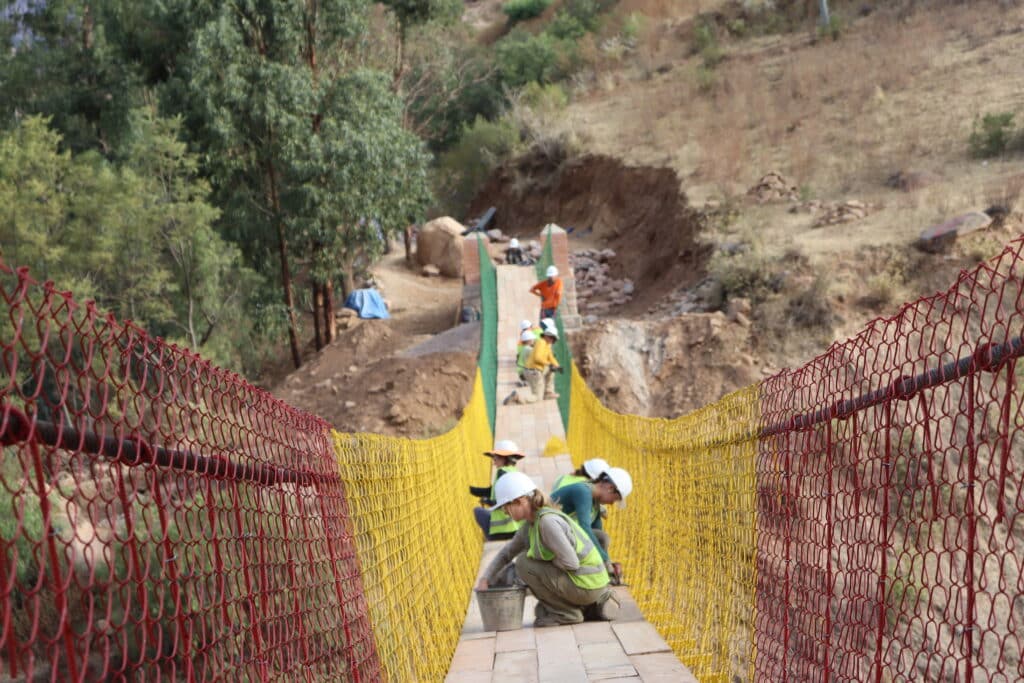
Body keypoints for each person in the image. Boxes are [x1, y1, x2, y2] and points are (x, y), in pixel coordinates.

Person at [475, 471, 620, 627]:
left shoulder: (547, 522)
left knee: (524, 563)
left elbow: (571, 563)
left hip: (588, 583)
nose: (504, 512)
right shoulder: (530, 524)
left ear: (520, 501)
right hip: (590, 582)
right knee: (541, 609)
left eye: (506, 506)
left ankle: (566, 614)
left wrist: (540, 560)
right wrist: (486, 579)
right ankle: (587, 607)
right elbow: (506, 553)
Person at [551, 467, 632, 585]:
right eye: (614, 500)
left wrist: (608, 562)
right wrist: (605, 561)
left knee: (601, 537)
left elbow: (599, 538)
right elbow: (585, 529)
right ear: (610, 488)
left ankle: (598, 576)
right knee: (597, 540)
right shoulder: (583, 492)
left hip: (560, 534)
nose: (611, 503)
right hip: (547, 534)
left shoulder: (595, 502)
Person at [469, 440, 527, 540]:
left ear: (504, 458)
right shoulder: (514, 472)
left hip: (503, 530)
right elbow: (492, 491)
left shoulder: (502, 472)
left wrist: (488, 502)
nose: (494, 462)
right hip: (518, 528)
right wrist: (471, 490)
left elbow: (504, 501)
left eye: (495, 458)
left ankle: (491, 538)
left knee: (477, 511)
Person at [503, 327, 562, 405]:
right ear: (547, 336)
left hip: (535, 370)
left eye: (554, 340)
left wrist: (557, 366)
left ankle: (548, 392)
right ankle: (518, 397)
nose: (552, 341)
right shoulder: (541, 343)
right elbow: (537, 358)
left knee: (552, 370)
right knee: (537, 398)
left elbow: (550, 357)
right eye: (552, 338)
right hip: (533, 372)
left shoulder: (547, 345)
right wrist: (549, 364)